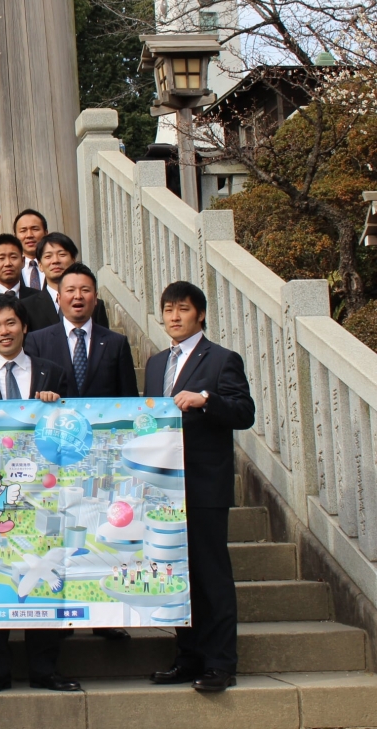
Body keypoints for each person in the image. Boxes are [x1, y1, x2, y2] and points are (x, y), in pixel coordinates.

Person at [0, 293, 79, 695]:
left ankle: (45, 669)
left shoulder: (52, 372)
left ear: (24, 327)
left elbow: (74, 424)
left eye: (10, 323)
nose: (3, 331)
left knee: (42, 572)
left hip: (40, 494)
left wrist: (58, 404)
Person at [146, 281, 254, 693]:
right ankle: (187, 657)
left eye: (183, 309)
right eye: (168, 309)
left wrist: (206, 398)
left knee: (211, 576)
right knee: (177, 573)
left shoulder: (222, 359)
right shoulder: (156, 363)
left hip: (204, 486)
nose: (174, 316)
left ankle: (220, 662)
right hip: (164, 488)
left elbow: (244, 412)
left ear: (201, 314)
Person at [25, 263, 136, 400]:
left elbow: (130, 399)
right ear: (59, 298)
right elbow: (30, 394)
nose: (78, 296)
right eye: (70, 290)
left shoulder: (117, 343)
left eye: (85, 290)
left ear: (95, 298)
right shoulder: (37, 341)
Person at [19, 232, 110, 331]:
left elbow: (104, 338)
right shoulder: (27, 306)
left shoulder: (94, 304)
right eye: (48, 256)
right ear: (40, 265)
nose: (55, 261)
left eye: (62, 254)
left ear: (73, 260)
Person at [0, 234, 39, 298]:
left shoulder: (37, 297)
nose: (8, 263)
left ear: (23, 261)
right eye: (1, 258)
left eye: (13, 257)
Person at [13, 209, 48, 291]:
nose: (29, 235)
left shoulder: (55, 263)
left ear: (46, 233)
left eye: (35, 229)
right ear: (15, 236)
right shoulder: (10, 267)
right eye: (23, 230)